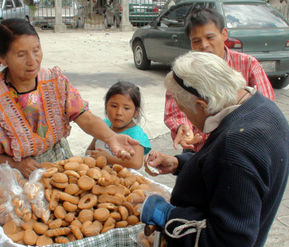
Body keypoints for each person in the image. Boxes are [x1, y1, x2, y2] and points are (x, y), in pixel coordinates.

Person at [141, 51, 289, 247]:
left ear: (202, 105)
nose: (188, 119)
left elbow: (228, 240)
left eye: (185, 110)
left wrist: (169, 216)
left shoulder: (236, 146)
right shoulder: (263, 108)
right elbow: (224, 171)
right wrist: (179, 163)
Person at [0, 18, 138, 178]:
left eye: (36, 50)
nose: (32, 61)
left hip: (59, 162)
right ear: (2, 58)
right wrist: (15, 164)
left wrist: (111, 137)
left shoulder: (54, 82)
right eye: (21, 54)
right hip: (13, 174)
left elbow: (84, 117)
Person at [164, 8, 275, 152]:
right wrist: (183, 128)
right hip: (198, 147)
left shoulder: (248, 64)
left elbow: (265, 108)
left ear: (224, 34)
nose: (204, 45)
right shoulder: (184, 71)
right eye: (196, 41)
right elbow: (175, 109)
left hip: (240, 147)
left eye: (210, 37)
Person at [87, 81, 151, 169]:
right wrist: (90, 155)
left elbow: (136, 163)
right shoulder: (104, 124)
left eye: (126, 108)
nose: (119, 112)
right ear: (106, 107)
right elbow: (90, 149)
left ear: (136, 112)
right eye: (114, 106)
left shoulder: (136, 135)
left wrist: (108, 159)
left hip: (121, 180)